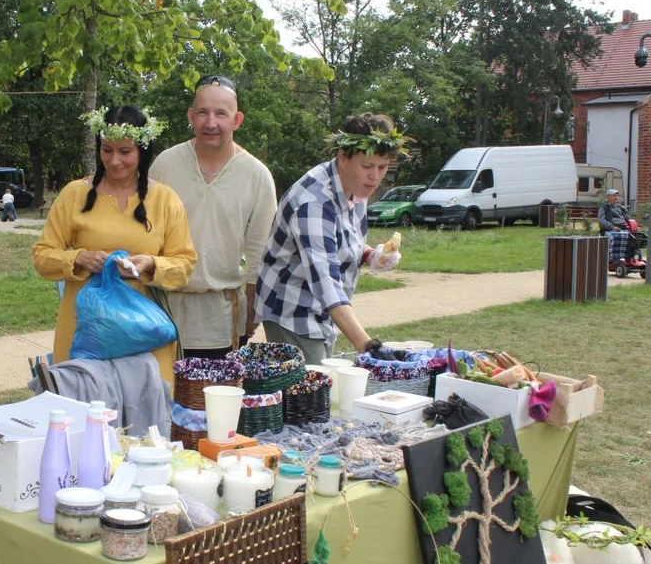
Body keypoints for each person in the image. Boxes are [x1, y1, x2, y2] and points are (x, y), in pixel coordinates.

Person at [32, 105, 197, 382]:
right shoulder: (75, 194)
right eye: (107, 149)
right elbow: (42, 256)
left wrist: (150, 264)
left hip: (144, 333)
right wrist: (79, 259)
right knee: (85, 410)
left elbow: (185, 264)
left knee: (144, 417)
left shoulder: (165, 199)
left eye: (125, 151)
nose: (114, 160)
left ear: (142, 151)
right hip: (85, 331)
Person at [254, 112, 408, 365]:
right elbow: (325, 281)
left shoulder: (356, 185)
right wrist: (367, 345)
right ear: (343, 157)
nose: (375, 177)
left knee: (325, 393)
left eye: (383, 167)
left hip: (324, 314)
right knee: (312, 398)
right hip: (293, 311)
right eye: (368, 166)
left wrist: (371, 255)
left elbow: (342, 241)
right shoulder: (313, 202)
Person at [150, 74, 277, 359]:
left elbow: (260, 254)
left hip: (221, 317)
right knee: (160, 400)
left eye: (221, 113)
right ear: (191, 116)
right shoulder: (164, 165)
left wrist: (252, 310)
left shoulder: (256, 176)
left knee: (214, 401)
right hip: (161, 311)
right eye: (203, 113)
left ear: (237, 120)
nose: (211, 123)